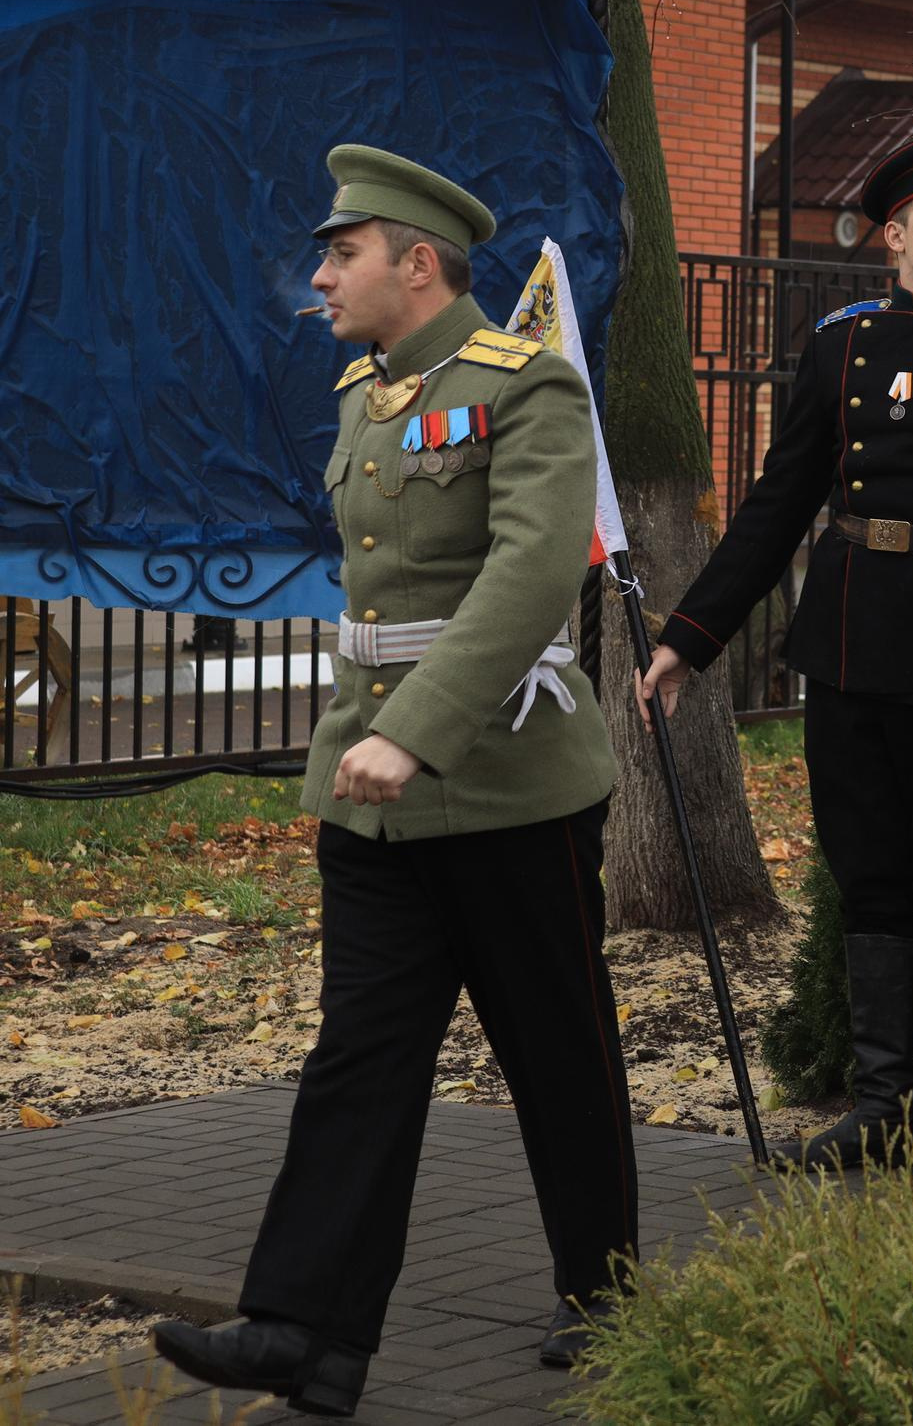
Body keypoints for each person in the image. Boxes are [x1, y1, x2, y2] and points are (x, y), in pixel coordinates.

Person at [152, 147, 633, 1414]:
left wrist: (416, 731)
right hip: (369, 787)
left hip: (509, 784)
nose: (320, 278)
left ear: (416, 264)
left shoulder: (528, 388)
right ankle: (304, 1330)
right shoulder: (370, 394)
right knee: (361, 1055)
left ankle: (607, 1292)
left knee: (556, 1050)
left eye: (341, 255)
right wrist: (378, 741)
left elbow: (533, 574)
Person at [635, 130, 913, 1178]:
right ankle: (879, 1104)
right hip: (850, 636)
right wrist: (688, 640)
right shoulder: (840, 342)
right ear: (896, 236)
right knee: (868, 871)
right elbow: (780, 502)